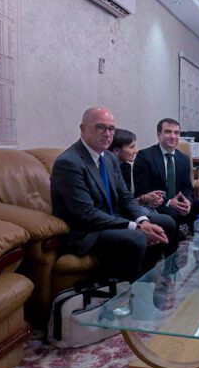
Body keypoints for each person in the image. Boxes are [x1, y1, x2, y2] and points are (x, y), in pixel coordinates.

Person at [50, 106, 178, 282]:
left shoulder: (109, 158)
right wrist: (135, 227)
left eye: (111, 129)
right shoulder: (69, 163)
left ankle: (148, 280)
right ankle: (126, 291)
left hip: (112, 219)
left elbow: (125, 197)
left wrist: (143, 221)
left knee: (166, 222)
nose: (108, 134)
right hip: (87, 230)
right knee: (137, 238)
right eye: (100, 127)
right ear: (83, 129)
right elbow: (86, 213)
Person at [133, 118, 199, 231]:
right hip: (158, 205)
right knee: (172, 214)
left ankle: (198, 236)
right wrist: (169, 202)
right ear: (159, 135)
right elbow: (142, 190)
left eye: (176, 133)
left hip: (179, 203)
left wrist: (188, 202)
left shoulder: (184, 158)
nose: (173, 136)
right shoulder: (145, 156)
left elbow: (187, 188)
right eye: (168, 132)